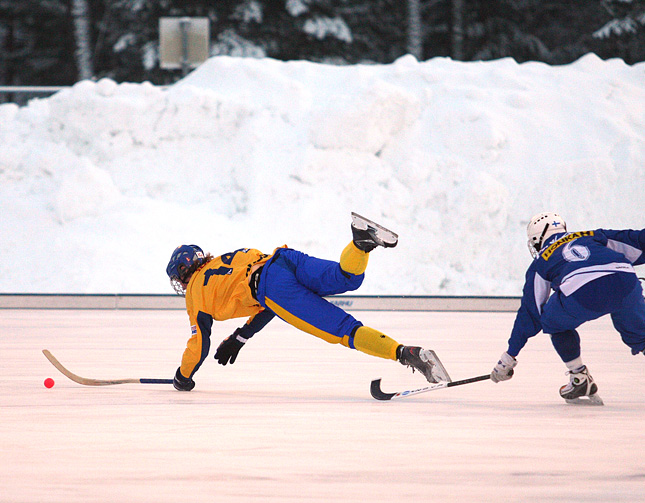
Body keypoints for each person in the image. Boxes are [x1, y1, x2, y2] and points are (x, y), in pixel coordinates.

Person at [166, 212, 450, 391]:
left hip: (272, 286)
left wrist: (183, 376)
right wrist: (241, 337)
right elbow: (266, 303)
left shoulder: (195, 294)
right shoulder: (223, 260)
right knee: (346, 276)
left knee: (344, 329)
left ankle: (408, 354)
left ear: (182, 274)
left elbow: (199, 345)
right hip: (284, 260)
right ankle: (360, 242)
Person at [490, 212, 645, 403]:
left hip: (584, 292)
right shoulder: (592, 235)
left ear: (538, 238)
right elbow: (638, 241)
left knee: (552, 321)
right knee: (640, 333)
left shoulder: (540, 261)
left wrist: (509, 357)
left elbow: (530, 314)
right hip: (626, 280)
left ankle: (579, 377)